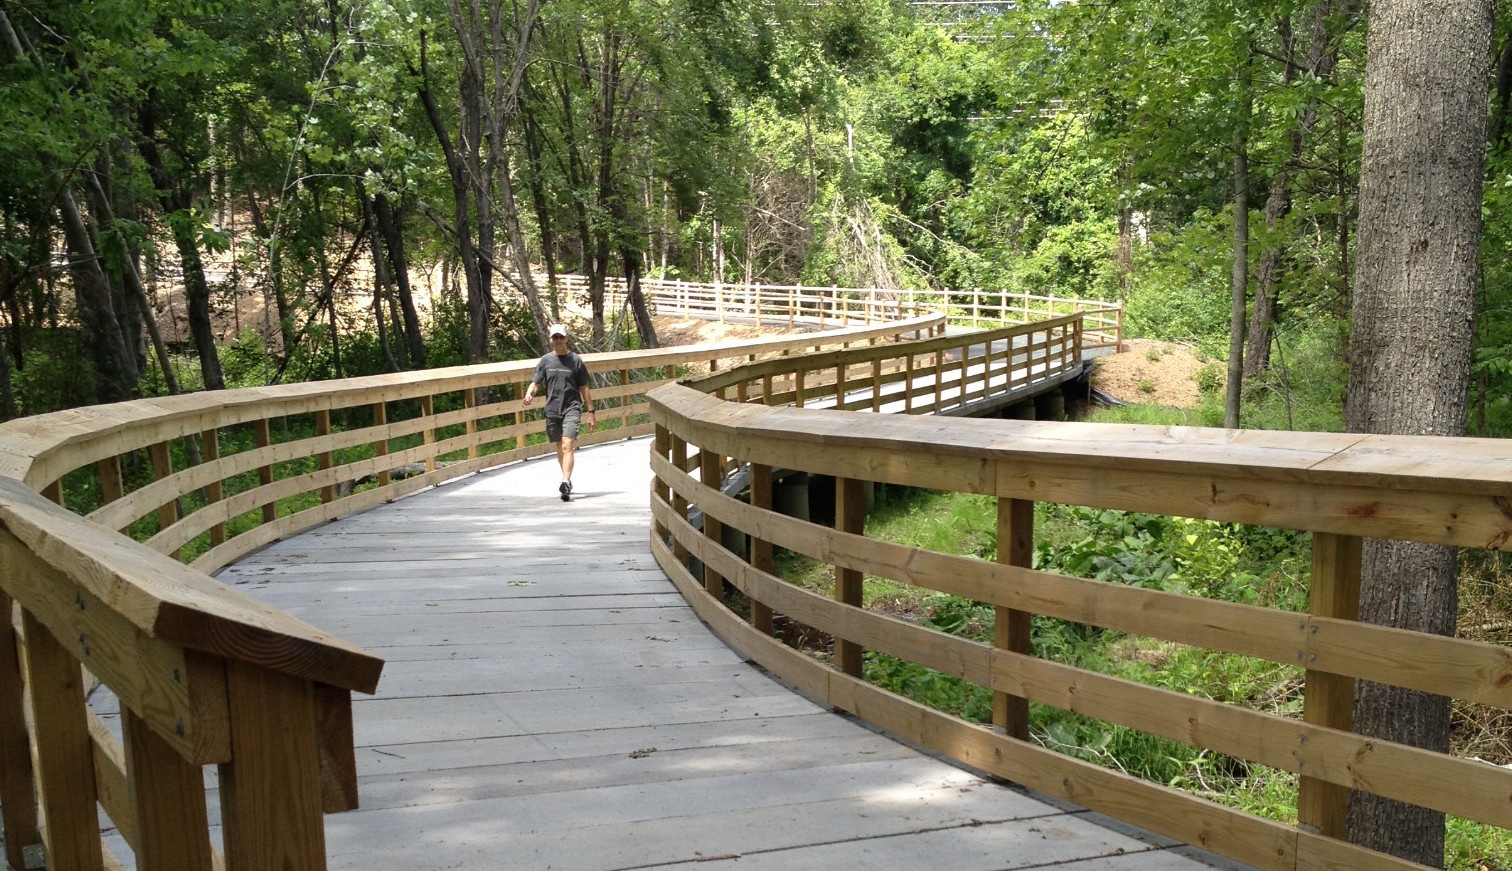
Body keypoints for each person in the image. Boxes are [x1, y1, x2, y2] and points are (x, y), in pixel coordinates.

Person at [522, 324, 596, 501]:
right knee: (559, 446)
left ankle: (565, 481)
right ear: (551, 340)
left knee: (567, 445)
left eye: (561, 337)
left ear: (566, 339)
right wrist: (529, 394)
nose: (558, 341)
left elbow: (584, 386)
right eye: (555, 338)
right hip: (552, 409)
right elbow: (536, 382)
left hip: (572, 407)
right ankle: (565, 478)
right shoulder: (546, 360)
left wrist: (591, 411)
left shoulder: (575, 360)